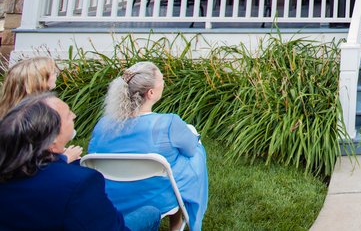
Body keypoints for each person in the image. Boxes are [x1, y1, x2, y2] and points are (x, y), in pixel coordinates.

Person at [0, 94, 161, 231]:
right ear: (53, 139)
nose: (74, 116)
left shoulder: (10, 168)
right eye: (68, 115)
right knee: (150, 212)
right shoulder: (80, 183)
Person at [89, 62, 209, 231]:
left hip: (112, 195)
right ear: (151, 93)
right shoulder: (167, 123)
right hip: (156, 197)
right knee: (196, 152)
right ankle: (181, 221)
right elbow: (190, 149)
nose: (164, 83)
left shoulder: (103, 125)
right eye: (162, 80)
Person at [0, 55, 83, 164]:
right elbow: (28, 160)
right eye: (53, 72)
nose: (56, 75)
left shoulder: (10, 111)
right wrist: (65, 158)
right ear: (40, 80)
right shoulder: (33, 117)